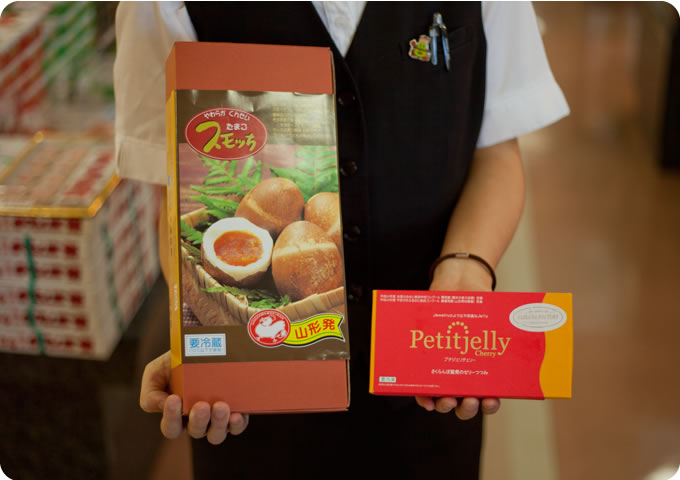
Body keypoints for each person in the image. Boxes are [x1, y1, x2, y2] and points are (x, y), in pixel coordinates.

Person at [114, 2, 569, 477]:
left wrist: (465, 269)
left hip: (428, 377)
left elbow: (496, 153)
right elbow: (175, 192)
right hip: (257, 406)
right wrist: (200, 328)